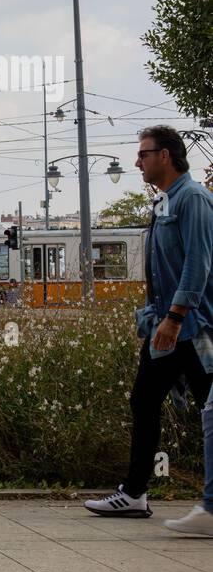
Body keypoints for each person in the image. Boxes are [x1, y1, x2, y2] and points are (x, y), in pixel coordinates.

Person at [85, 126, 213, 534]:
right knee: (144, 400)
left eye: (143, 154)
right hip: (168, 326)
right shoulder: (166, 201)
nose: (138, 161)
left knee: (208, 411)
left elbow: (198, 263)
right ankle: (135, 493)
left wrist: (175, 317)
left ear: (167, 156)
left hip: (193, 327)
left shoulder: (193, 199)